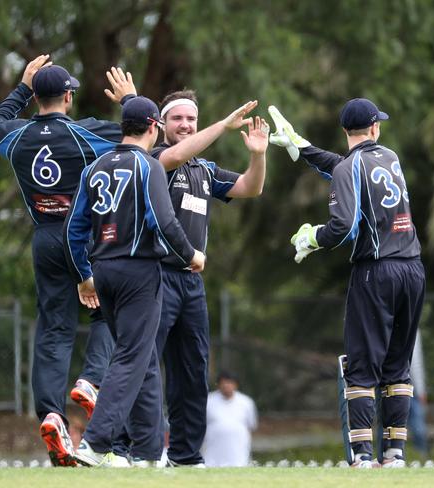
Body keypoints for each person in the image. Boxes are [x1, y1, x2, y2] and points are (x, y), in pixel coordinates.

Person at [0, 55, 135, 466]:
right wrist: (131, 99)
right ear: (68, 96)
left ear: (36, 97)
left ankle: (51, 414)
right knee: (107, 315)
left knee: (53, 328)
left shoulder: (15, 136)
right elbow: (140, 137)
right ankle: (90, 382)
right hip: (84, 236)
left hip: (45, 239)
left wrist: (20, 88)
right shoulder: (85, 134)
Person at [269, 100, 426, 468]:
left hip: (376, 272)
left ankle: (363, 456)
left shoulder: (348, 166)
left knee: (361, 366)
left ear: (346, 131)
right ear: (373, 129)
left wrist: (313, 238)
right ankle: (395, 454)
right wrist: (302, 148)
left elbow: (342, 226)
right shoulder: (390, 157)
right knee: (397, 366)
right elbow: (345, 170)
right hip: (413, 269)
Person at [64, 96, 205, 467]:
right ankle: (94, 443)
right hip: (139, 270)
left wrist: (84, 277)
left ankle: (146, 452)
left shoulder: (94, 167)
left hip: (103, 270)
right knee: (131, 357)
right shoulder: (150, 165)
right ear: (155, 126)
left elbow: (74, 229)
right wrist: (192, 255)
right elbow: (165, 222)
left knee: (140, 358)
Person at [135, 90, 266, 468]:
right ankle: (135, 449)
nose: (186, 125)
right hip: (155, 276)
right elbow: (176, 154)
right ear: (161, 124)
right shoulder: (157, 159)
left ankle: (185, 455)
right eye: (178, 119)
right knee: (144, 365)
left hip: (191, 283)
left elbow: (250, 187)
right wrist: (223, 125)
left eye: (191, 119)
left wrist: (257, 155)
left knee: (193, 371)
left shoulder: (204, 171)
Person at [202, 372, 258, 467]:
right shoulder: (208, 401)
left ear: (236, 385)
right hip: (212, 452)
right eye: (223, 383)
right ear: (218, 385)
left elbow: (251, 425)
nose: (226, 386)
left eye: (229, 383)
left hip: (238, 452)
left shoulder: (246, 402)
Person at [407, 330, 429, 456]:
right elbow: (415, 363)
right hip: (409, 385)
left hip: (389, 383)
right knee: (417, 423)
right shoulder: (413, 329)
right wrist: (421, 390)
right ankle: (421, 454)